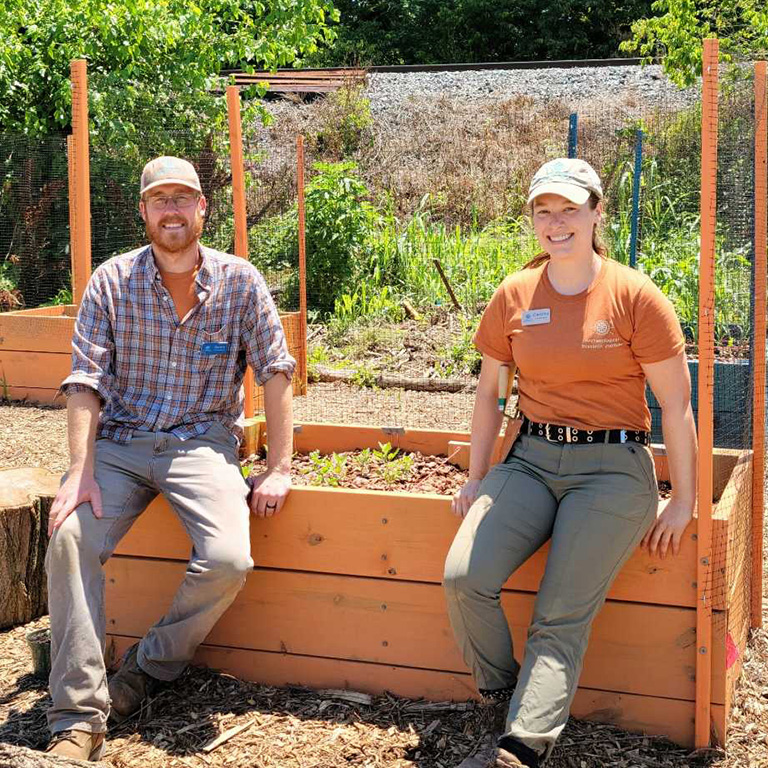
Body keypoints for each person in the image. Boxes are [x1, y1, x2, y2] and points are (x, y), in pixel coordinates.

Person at [443, 158, 697, 768]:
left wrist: (683, 499)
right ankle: (505, 694)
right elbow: (489, 394)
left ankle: (522, 744)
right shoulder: (515, 295)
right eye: (544, 211)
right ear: (533, 219)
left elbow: (675, 402)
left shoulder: (635, 296)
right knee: (462, 578)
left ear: (595, 213)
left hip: (612, 467)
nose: (556, 223)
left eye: (569, 209)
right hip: (530, 458)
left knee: (559, 613)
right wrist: (477, 477)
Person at [44, 156, 296, 761]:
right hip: (119, 445)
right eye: (161, 200)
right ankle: (78, 718)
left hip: (202, 444)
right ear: (144, 212)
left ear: (203, 208)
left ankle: (149, 668)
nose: (173, 210)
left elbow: (277, 371)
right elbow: (85, 381)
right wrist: (78, 471)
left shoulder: (239, 282)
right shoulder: (110, 281)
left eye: (184, 198)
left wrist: (280, 465)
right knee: (70, 538)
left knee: (230, 559)